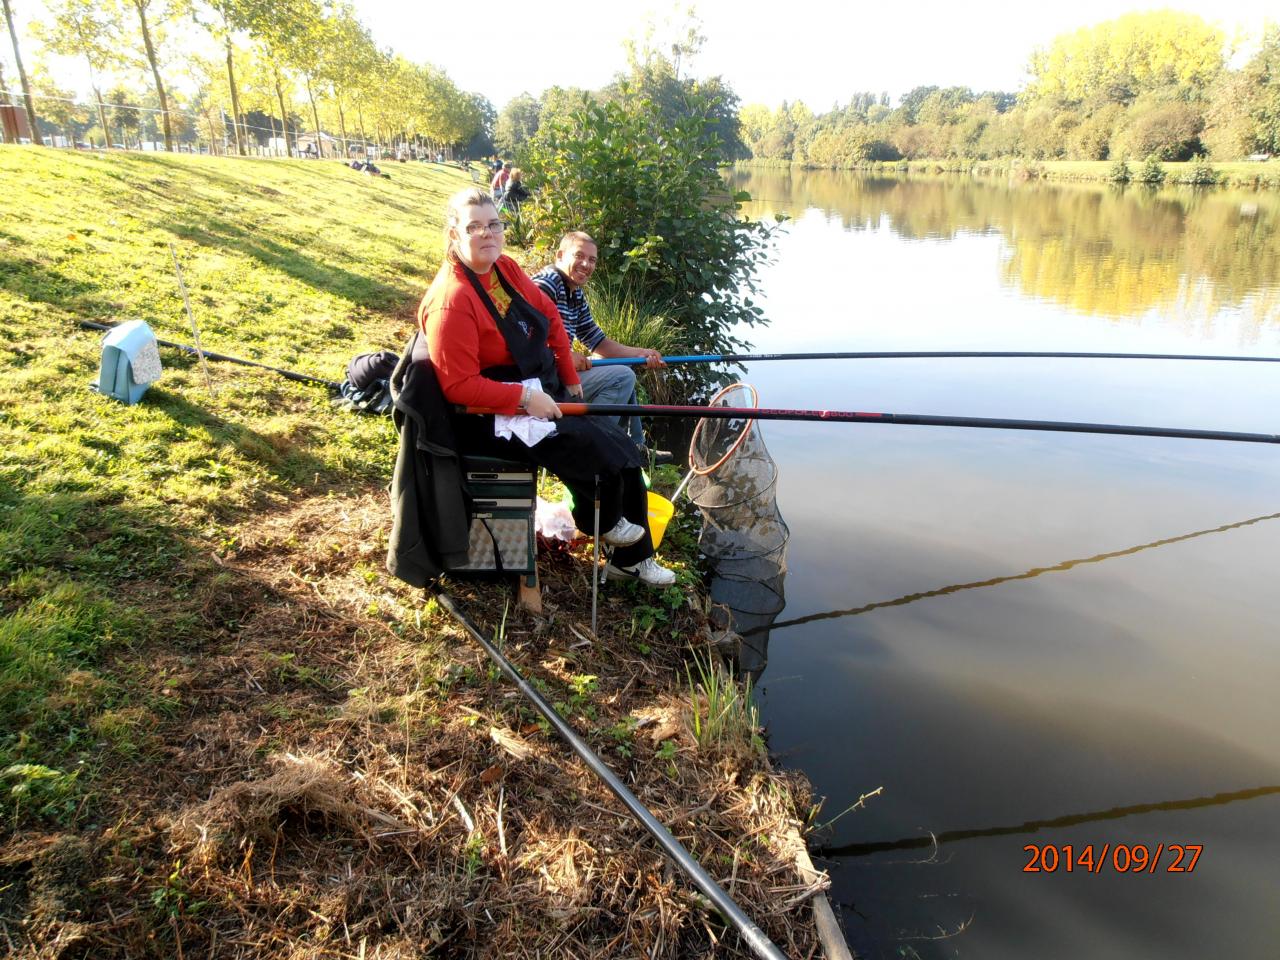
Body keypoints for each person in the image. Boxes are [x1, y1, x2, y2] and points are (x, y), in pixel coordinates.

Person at [418, 188, 676, 587]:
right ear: (454, 234)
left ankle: (631, 562)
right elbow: (458, 387)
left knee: (621, 450)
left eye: (493, 224)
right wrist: (524, 398)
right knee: (592, 448)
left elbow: (549, 315)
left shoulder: (503, 268)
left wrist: (571, 382)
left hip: (526, 391)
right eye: (474, 227)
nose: (487, 234)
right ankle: (603, 523)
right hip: (484, 419)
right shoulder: (452, 300)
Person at [531, 232, 669, 458]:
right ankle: (591, 448)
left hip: (557, 371)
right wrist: (563, 356)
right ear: (560, 255)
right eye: (579, 256)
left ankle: (635, 448)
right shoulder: (547, 284)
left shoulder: (575, 292)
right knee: (622, 377)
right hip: (542, 381)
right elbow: (526, 337)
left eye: (592, 260)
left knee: (621, 371)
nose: (586, 264)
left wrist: (642, 354)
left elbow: (597, 341)